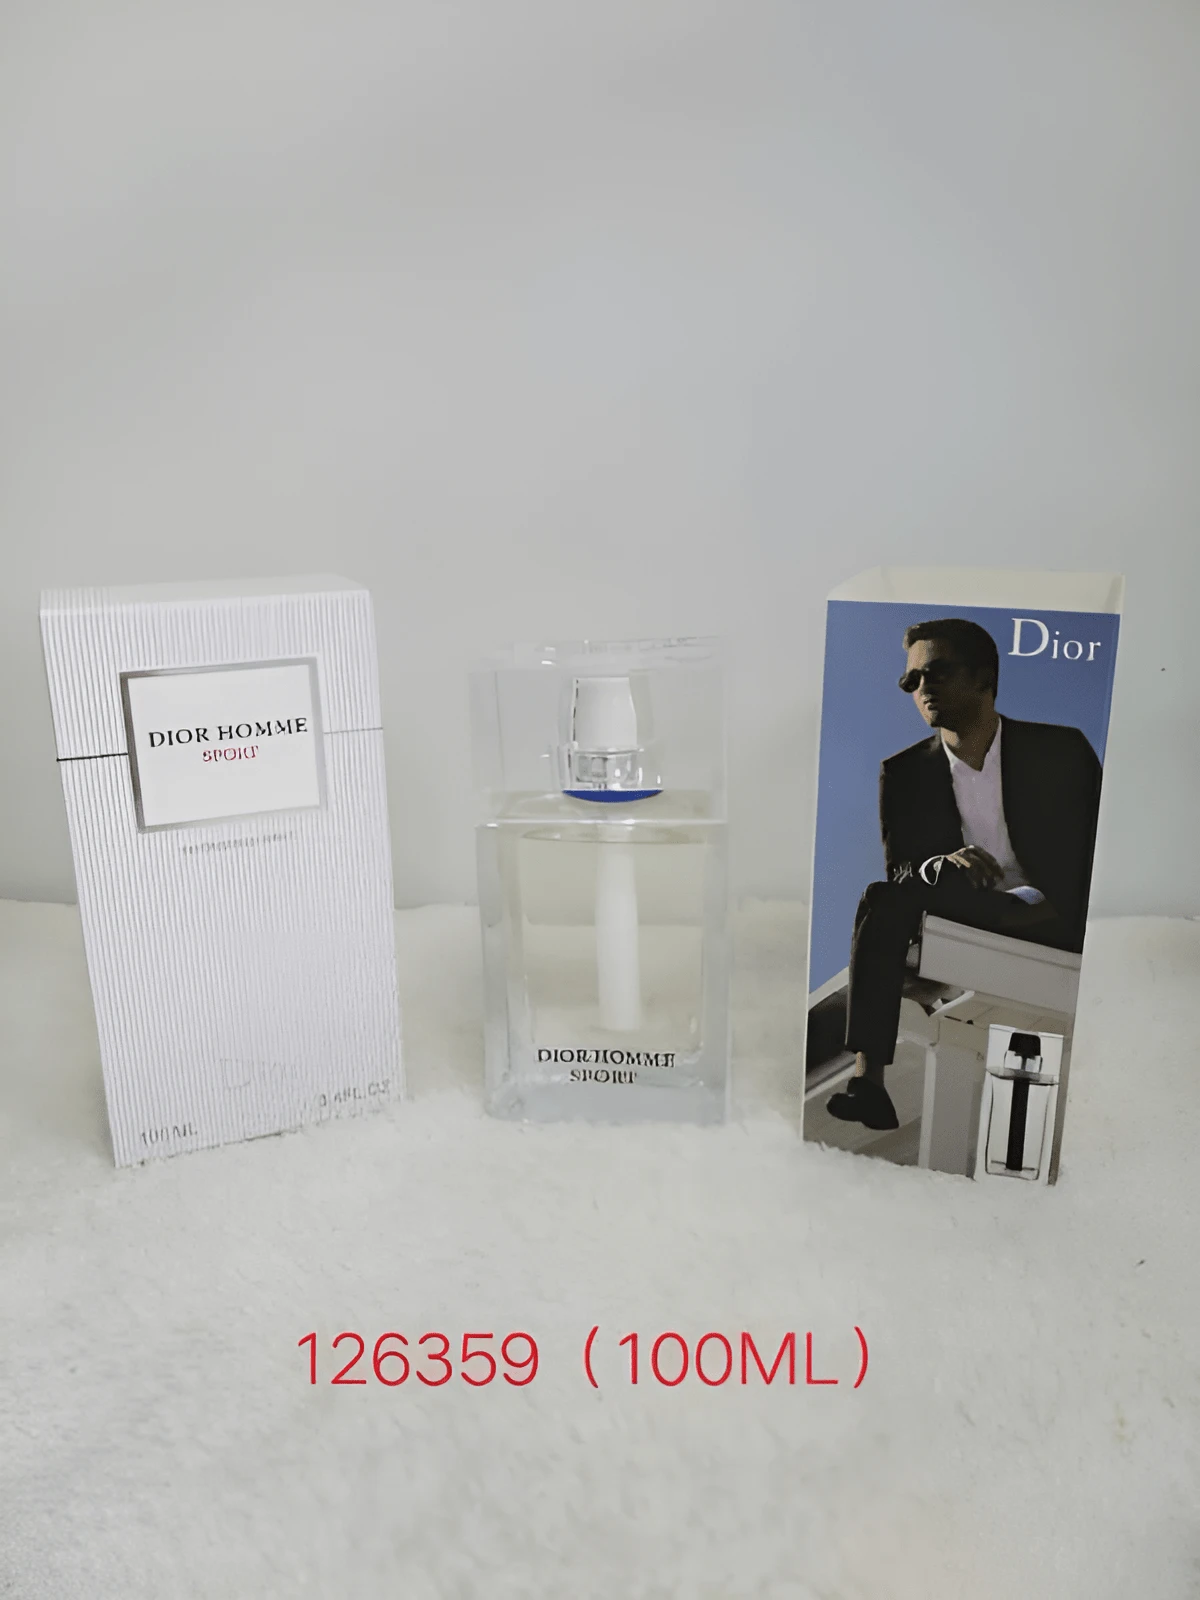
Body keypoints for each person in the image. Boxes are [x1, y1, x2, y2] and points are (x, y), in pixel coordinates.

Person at [826, 617, 1103, 1131]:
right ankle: (869, 1081)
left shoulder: (1061, 750)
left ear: (983, 677)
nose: (922, 688)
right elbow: (901, 873)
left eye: (936, 672)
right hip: (975, 913)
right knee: (881, 897)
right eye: (911, 681)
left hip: (1055, 917)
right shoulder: (904, 773)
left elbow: (1105, 851)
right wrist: (936, 866)